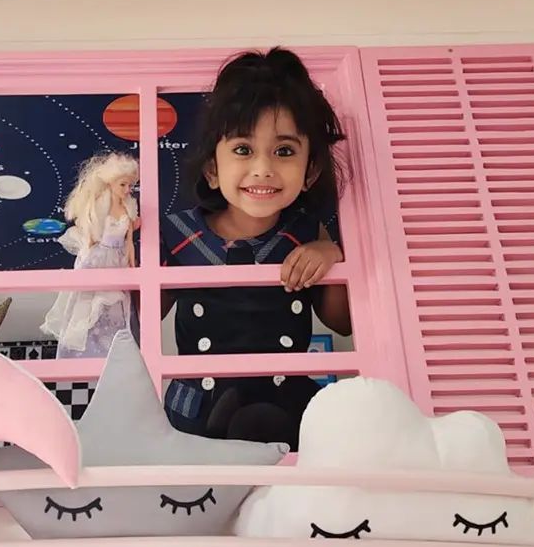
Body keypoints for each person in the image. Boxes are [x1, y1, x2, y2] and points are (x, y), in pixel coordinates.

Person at [161, 48, 353, 450]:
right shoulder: (177, 234)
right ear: (213, 169)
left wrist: (331, 254)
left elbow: (343, 322)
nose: (263, 168)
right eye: (243, 150)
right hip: (197, 413)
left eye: (284, 151)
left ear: (309, 171)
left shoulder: (306, 232)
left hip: (284, 411)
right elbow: (133, 322)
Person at [42, 152, 140, 358]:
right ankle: (87, 347)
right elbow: (91, 234)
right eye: (123, 184)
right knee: (89, 300)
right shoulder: (100, 206)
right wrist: (89, 254)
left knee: (115, 303)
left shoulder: (128, 206)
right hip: (99, 256)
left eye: (130, 185)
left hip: (117, 258)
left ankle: (113, 347)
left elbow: (129, 238)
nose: (127, 189)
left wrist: (131, 258)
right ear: (111, 183)